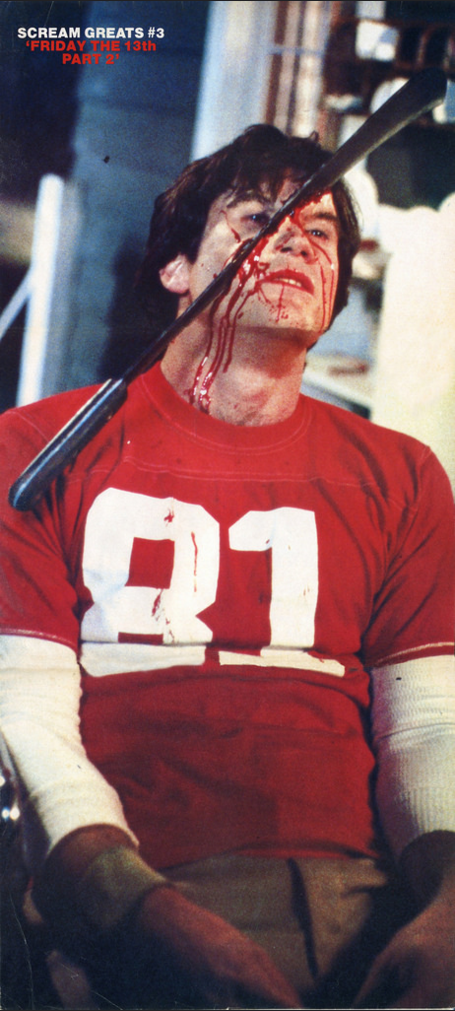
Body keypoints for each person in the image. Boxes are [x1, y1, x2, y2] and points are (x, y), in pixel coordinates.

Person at [0, 124, 454, 1010]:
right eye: (258, 218)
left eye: (320, 231)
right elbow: (25, 716)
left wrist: (448, 909)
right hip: (134, 896)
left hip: (374, 903)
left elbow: (427, 725)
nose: (296, 240)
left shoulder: (402, 475)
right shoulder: (35, 451)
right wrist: (135, 911)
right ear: (176, 267)